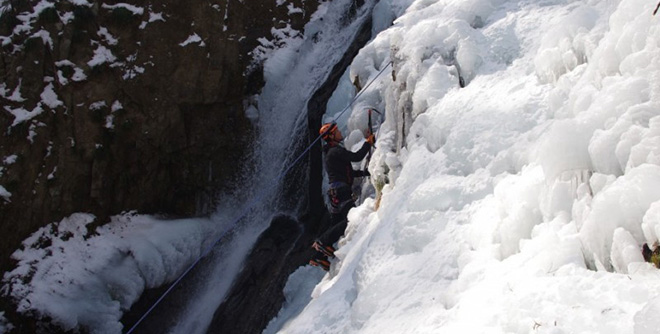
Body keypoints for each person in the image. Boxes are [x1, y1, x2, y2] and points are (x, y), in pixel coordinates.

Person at [309, 122, 375, 271]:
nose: (340, 132)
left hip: (335, 194)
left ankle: (318, 256)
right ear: (331, 136)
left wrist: (366, 172)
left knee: (335, 225)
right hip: (342, 192)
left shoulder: (330, 154)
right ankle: (322, 242)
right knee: (350, 220)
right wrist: (368, 143)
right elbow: (357, 157)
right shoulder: (335, 151)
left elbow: (348, 174)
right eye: (336, 131)